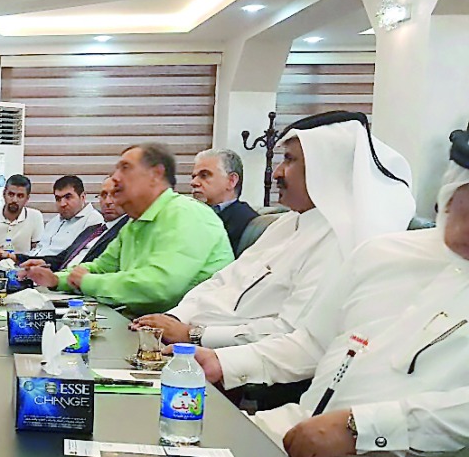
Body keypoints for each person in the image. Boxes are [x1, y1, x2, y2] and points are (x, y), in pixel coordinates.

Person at [191, 126, 469, 457]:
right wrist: (221, 362)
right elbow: (313, 343)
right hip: (289, 434)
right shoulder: (385, 254)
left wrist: (363, 427)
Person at [133, 112, 415, 348]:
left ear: (325, 168)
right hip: (189, 344)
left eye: (290, 160)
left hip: (234, 367)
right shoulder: (284, 223)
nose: (278, 172)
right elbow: (220, 282)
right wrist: (174, 319)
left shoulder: (341, 239)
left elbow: (290, 332)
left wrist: (194, 335)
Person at [21, 143, 233, 315]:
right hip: (139, 323)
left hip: (188, 342)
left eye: (125, 168)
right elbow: (102, 267)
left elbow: (158, 286)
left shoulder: (186, 214)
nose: (115, 179)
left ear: (155, 175)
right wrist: (57, 279)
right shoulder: (134, 223)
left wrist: (86, 282)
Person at [26, 177, 128, 272]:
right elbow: (66, 256)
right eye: (104, 195)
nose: (108, 202)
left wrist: (58, 279)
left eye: (115, 195)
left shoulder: (97, 221)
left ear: (83, 197)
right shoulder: (95, 229)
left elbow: (98, 268)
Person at [5, 175, 103, 264]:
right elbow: (38, 251)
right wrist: (12, 258)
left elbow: (74, 260)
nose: (62, 204)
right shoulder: (54, 222)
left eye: (68, 197)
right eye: (58, 199)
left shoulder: (93, 221)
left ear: (82, 197)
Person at [191, 148, 258, 253]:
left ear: (231, 181)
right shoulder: (190, 213)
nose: (194, 182)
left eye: (204, 175)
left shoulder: (246, 221)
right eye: (194, 176)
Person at [0, 174, 44, 257]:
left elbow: (38, 251)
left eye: (20, 196)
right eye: (11, 194)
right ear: (4, 194)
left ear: (27, 198)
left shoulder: (35, 216)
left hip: (22, 266)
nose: (14, 200)